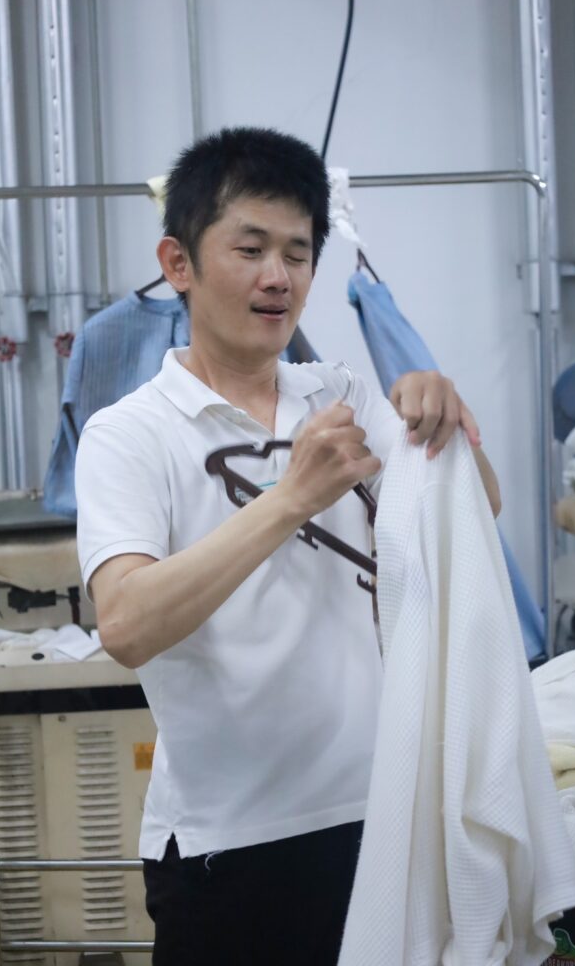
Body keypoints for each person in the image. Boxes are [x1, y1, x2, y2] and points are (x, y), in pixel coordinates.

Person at [75, 126, 501, 965]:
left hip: (381, 823)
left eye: (298, 254)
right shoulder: (128, 435)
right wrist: (293, 497)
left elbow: (476, 516)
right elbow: (125, 625)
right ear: (178, 263)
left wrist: (444, 419)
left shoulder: (339, 394)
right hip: (227, 849)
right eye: (251, 248)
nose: (278, 277)